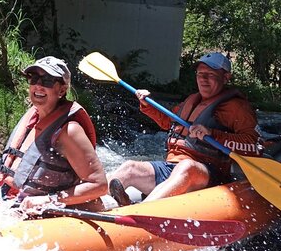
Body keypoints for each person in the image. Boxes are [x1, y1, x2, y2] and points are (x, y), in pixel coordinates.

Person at [0, 56, 107, 215]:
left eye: (47, 80)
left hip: (42, 209)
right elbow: (18, 172)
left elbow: (99, 185)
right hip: (12, 200)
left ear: (61, 90)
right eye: (34, 79)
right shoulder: (32, 119)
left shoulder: (69, 131)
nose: (38, 85)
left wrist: (48, 200)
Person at [107, 52, 261, 206]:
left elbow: (253, 146)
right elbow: (169, 123)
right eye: (200, 73)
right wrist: (148, 105)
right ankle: (92, 202)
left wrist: (213, 134)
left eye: (210, 74)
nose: (203, 78)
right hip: (172, 168)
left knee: (187, 167)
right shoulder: (191, 100)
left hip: (209, 174)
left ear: (226, 77)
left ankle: (139, 212)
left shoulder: (237, 107)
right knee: (130, 167)